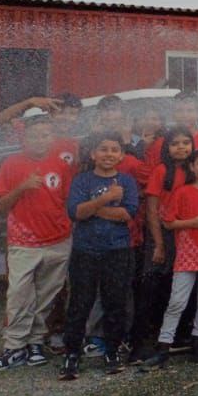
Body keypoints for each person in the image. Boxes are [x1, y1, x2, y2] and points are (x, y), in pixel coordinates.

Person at [0, 114, 74, 372]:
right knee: (18, 295)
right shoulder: (11, 164)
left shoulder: (61, 164)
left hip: (58, 241)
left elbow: (67, 200)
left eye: (46, 135)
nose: (40, 140)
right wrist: (22, 187)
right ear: (25, 137)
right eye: (35, 135)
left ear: (52, 138)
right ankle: (13, 346)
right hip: (24, 243)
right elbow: (0, 204)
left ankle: (35, 343)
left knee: (46, 295)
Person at [59, 133, 139, 380]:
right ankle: (72, 354)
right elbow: (76, 213)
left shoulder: (127, 181)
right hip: (85, 250)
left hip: (117, 250)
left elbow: (127, 214)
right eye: (103, 149)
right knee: (79, 303)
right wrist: (106, 199)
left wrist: (93, 208)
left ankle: (112, 350)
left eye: (114, 150)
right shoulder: (82, 180)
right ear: (93, 154)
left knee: (114, 303)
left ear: (122, 155)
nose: (109, 154)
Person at [141, 148, 198, 369]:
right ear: (192, 166)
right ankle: (164, 346)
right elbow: (169, 222)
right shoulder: (182, 192)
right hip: (188, 255)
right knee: (177, 301)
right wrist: (191, 223)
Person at [130, 127, 193, 360]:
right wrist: (157, 244)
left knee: (178, 286)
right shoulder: (161, 171)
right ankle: (140, 341)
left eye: (186, 142)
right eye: (175, 143)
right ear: (167, 148)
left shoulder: (195, 171)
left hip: (186, 235)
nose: (181, 147)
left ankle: (178, 335)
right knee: (150, 286)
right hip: (161, 236)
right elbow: (152, 210)